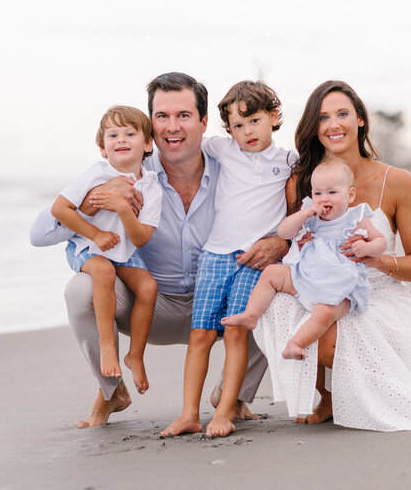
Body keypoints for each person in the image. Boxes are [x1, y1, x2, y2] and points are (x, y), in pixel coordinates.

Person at [30, 73, 288, 428]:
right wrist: (90, 205)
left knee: (280, 288)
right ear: (150, 125)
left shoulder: (236, 164)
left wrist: (283, 242)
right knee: (80, 290)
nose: (172, 127)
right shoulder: (125, 172)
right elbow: (40, 234)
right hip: (150, 306)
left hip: (217, 300)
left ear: (204, 122)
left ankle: (235, 393)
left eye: (183, 115)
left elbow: (301, 215)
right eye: (162, 117)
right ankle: (111, 390)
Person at [252, 80, 411, 430]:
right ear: (313, 127)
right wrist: (289, 244)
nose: (333, 125)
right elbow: (295, 235)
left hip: (375, 294)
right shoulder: (303, 180)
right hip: (320, 283)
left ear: (361, 120)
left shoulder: (397, 182)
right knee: (277, 304)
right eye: (322, 117)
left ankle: (344, 395)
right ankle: (326, 394)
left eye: (342, 114)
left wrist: (375, 259)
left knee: (333, 335)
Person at [161, 80, 295, 438]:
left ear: (274, 117)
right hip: (215, 255)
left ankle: (224, 412)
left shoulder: (288, 161)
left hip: (255, 260)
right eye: (237, 125)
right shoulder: (223, 149)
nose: (247, 131)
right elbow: (181, 140)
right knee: (201, 333)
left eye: (254, 121)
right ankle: (189, 413)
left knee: (236, 330)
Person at [222, 157, 386, 360]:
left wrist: (367, 246)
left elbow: (381, 242)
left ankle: (295, 343)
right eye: (318, 193)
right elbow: (284, 232)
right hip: (305, 277)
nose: (324, 198)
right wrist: (305, 213)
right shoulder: (310, 215)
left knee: (325, 313)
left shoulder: (355, 218)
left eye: (332, 192)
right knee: (273, 272)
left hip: (340, 287)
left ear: (350, 195)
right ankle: (252, 315)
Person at [50, 106, 161, 394]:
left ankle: (135, 355)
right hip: (87, 245)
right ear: (102, 147)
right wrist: (95, 234)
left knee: (148, 287)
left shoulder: (151, 186)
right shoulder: (96, 174)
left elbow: (140, 239)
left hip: (124, 249)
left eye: (130, 133)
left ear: (148, 144)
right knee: (103, 269)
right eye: (113, 134)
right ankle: (107, 343)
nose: (121, 139)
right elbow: (60, 209)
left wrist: (124, 209)